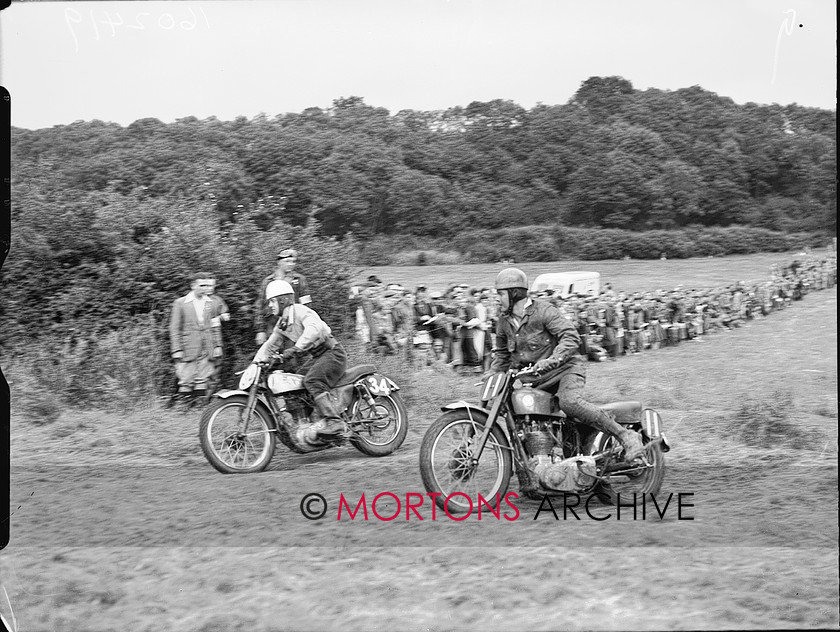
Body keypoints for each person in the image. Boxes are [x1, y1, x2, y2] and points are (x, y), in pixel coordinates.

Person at [486, 268, 644, 463]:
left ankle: (625, 436)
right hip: (534, 380)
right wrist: (493, 375)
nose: (497, 299)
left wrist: (552, 360)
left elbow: (570, 337)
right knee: (511, 408)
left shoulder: (544, 311)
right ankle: (531, 463)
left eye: (501, 294)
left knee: (568, 402)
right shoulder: (503, 321)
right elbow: (502, 354)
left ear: (514, 293)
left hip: (565, 370)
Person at [253, 279, 347, 443]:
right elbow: (270, 344)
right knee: (295, 382)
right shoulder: (282, 323)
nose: (270, 306)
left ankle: (335, 422)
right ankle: (310, 424)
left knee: (312, 380)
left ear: (283, 300)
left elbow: (314, 329)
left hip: (333, 353)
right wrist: (256, 364)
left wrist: (296, 348)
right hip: (318, 356)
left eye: (272, 302)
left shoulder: (301, 311)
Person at [169, 272, 223, 403]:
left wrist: (218, 345)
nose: (205, 289)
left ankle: (199, 408)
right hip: (188, 346)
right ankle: (183, 408)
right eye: (201, 285)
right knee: (186, 378)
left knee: (203, 378)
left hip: (206, 346)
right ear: (193, 285)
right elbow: (174, 327)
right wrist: (177, 349)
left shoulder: (211, 303)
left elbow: (215, 325)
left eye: (206, 285)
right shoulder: (181, 303)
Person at [254, 248, 311, 346]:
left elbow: (306, 304)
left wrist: (306, 324)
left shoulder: (300, 280)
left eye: (293, 261)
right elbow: (260, 306)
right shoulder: (268, 281)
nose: (291, 264)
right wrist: (260, 330)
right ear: (279, 262)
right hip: (272, 323)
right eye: (287, 261)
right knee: (272, 354)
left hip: (293, 323)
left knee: (292, 355)